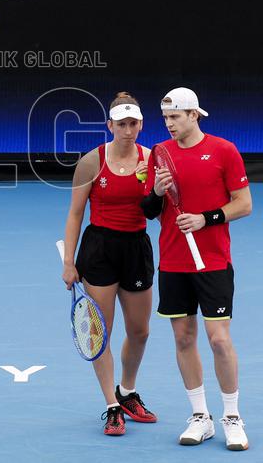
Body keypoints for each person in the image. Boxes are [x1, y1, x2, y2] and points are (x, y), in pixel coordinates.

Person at [141, 87, 253, 451]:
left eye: (175, 117)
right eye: (166, 119)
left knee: (219, 340)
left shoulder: (224, 151)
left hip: (214, 262)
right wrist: (156, 191)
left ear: (194, 116)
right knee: (184, 338)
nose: (169, 124)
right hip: (173, 262)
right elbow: (149, 211)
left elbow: (244, 204)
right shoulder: (160, 154)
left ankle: (232, 418)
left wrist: (207, 219)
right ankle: (200, 416)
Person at [62, 92, 158, 436]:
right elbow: (75, 215)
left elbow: (158, 209)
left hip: (136, 249)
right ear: (110, 126)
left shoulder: (152, 160)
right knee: (100, 334)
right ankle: (111, 405)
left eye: (134, 124)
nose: (128, 131)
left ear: (141, 125)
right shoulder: (91, 162)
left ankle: (127, 391)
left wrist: (153, 186)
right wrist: (69, 263)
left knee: (140, 331)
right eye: (122, 124)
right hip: (99, 249)